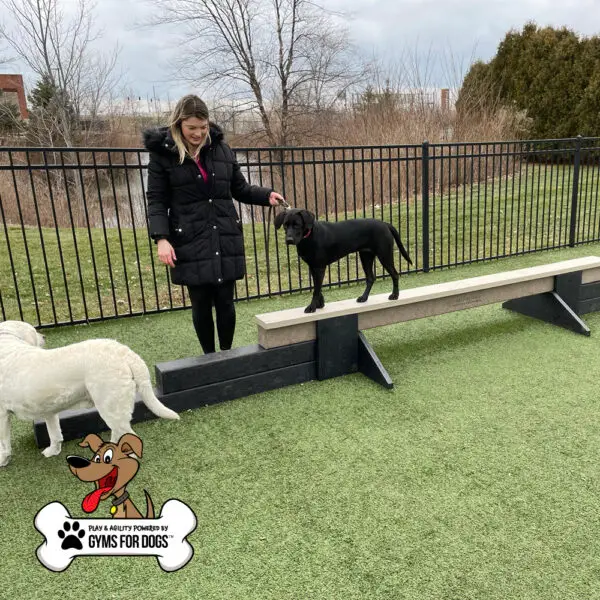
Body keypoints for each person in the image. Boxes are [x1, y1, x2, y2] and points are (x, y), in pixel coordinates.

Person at [143, 94, 285, 354]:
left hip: (224, 233)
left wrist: (266, 195)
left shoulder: (221, 149)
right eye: (192, 128)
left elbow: (239, 189)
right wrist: (161, 238)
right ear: (178, 124)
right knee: (200, 303)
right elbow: (156, 200)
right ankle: (210, 358)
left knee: (225, 301)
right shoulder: (163, 155)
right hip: (189, 237)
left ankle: (227, 355)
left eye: (203, 127)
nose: (198, 133)